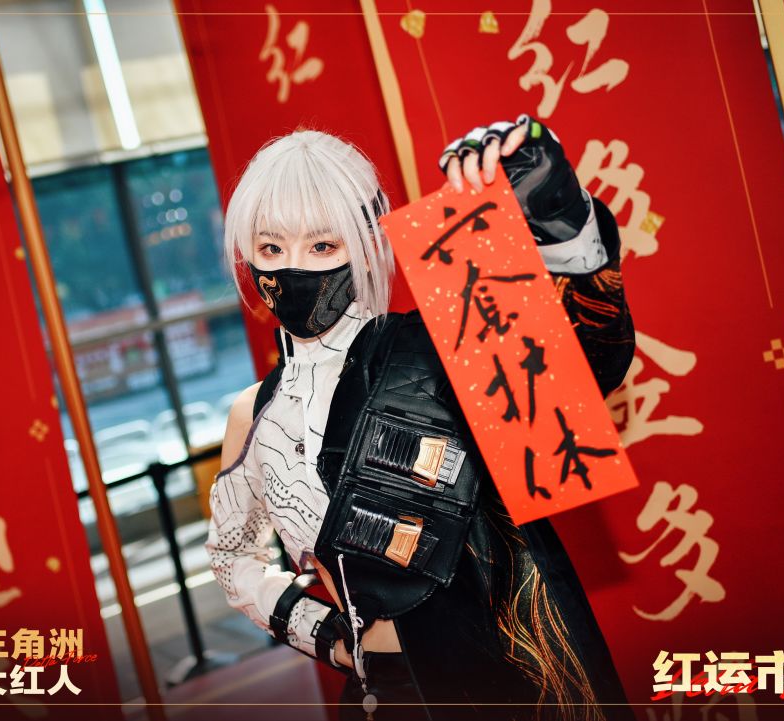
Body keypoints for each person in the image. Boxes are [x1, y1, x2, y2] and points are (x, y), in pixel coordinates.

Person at [206, 114, 636, 721]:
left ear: (365, 243)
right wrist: (328, 638)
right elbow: (232, 557)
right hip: (379, 695)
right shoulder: (252, 415)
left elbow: (590, 362)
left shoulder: (443, 348)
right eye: (272, 247)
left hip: (511, 683)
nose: (293, 268)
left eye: (323, 245)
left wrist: (558, 216)